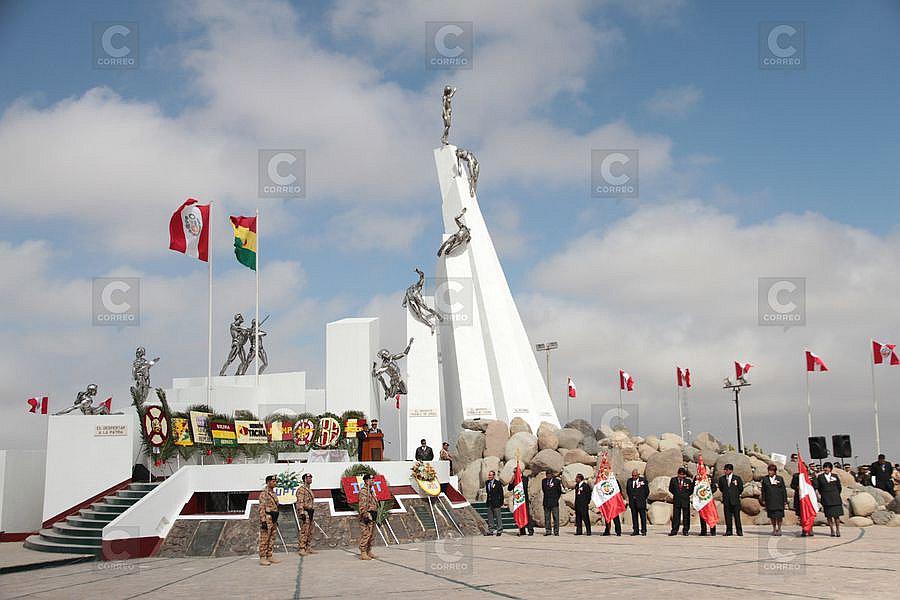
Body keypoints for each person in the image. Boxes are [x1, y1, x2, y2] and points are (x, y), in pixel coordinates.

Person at [258, 475, 282, 566]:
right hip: (267, 519)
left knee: (272, 538)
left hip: (273, 519)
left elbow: (275, 506)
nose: (274, 483)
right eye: (273, 481)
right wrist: (263, 520)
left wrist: (275, 520)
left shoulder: (273, 493)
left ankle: (269, 555)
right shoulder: (264, 493)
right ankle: (262, 557)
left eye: (275, 481)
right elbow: (262, 508)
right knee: (265, 538)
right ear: (268, 482)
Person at [816, 462, 843, 537]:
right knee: (829, 516)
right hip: (826, 498)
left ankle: (838, 529)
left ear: (830, 469)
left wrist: (836, 494)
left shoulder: (835, 476)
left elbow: (839, 487)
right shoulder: (820, 477)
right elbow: (819, 488)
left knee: (836, 516)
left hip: (835, 498)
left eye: (827, 467)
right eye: (825, 467)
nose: (826, 469)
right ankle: (832, 530)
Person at [761, 464, 788, 536]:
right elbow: (763, 490)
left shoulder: (780, 478)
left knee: (779, 516)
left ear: (775, 471)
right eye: (769, 470)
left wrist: (785, 500)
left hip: (779, 500)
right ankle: (774, 528)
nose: (770, 472)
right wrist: (763, 499)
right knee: (772, 516)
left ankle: (779, 529)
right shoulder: (765, 479)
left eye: (771, 471)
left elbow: (783, 490)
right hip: (770, 500)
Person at [717, 463, 744, 536]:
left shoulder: (737, 478)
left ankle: (739, 531)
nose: (725, 471)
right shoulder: (722, 479)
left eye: (727, 470)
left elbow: (740, 488)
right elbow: (721, 488)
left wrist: (735, 494)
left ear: (731, 470)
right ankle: (729, 531)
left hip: (735, 500)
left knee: (737, 517)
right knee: (728, 517)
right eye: (725, 470)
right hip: (726, 500)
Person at [507, 467, 535, 536]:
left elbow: (524, 487)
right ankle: (522, 530)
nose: (514, 473)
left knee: (527, 515)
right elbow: (509, 488)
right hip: (517, 500)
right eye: (513, 472)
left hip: (524, 500)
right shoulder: (514, 479)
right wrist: (511, 481)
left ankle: (530, 530)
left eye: (515, 472)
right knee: (519, 515)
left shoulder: (524, 478)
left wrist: (518, 481)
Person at [357, 474, 378, 560]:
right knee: (366, 534)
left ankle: (369, 550)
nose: (373, 481)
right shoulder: (364, 491)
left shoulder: (371, 491)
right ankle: (363, 552)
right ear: (366, 481)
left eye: (373, 480)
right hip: (367, 515)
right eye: (371, 480)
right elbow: (362, 504)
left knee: (371, 534)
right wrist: (364, 514)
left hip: (373, 514)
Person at [295, 473, 316, 556]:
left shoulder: (309, 489)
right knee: (304, 530)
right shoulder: (301, 489)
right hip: (305, 512)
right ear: (304, 479)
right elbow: (300, 501)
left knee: (310, 530)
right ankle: (302, 548)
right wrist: (301, 513)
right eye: (308, 478)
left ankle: (308, 546)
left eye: (311, 478)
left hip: (310, 512)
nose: (310, 479)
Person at [668, 467, 693, 536]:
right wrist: (677, 494)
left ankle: (685, 530)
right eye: (680, 474)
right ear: (678, 474)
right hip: (677, 500)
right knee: (676, 516)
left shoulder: (688, 481)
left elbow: (691, 490)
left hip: (685, 500)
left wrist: (685, 495)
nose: (682, 476)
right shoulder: (673, 480)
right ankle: (674, 530)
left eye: (683, 474)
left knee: (686, 516)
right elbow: (670, 489)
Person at [790, 470, 814, 538]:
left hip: (809, 497)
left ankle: (810, 529)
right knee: (801, 515)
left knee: (810, 514)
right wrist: (798, 486)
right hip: (800, 498)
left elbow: (816, 484)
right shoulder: (796, 476)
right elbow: (792, 485)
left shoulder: (811, 475)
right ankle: (804, 529)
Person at [625, 469, 649, 536]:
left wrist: (643, 498)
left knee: (643, 517)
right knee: (634, 517)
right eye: (633, 475)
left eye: (635, 475)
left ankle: (644, 530)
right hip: (633, 502)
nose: (634, 477)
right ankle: (636, 530)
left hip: (641, 502)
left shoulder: (643, 481)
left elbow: (647, 491)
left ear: (638, 475)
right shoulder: (629, 481)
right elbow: (628, 490)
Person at [542, 471, 563, 536]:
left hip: (554, 502)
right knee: (547, 517)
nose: (548, 476)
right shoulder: (544, 481)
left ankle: (556, 531)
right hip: (546, 502)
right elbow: (544, 490)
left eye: (549, 474)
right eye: (547, 474)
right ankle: (548, 531)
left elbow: (559, 491)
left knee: (556, 517)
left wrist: (556, 499)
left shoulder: (556, 481)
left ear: (552, 475)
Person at [484, 470, 504, 536]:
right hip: (489, 502)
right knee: (490, 517)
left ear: (493, 476)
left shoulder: (497, 483)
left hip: (496, 503)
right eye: (489, 475)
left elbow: (501, 494)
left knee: (498, 517)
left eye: (490, 475)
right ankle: (491, 530)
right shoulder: (487, 482)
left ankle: (499, 530)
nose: (489, 476)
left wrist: (501, 502)